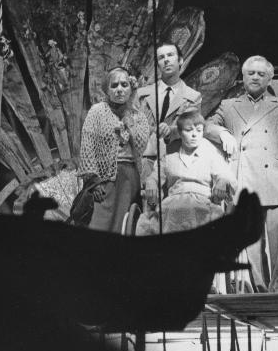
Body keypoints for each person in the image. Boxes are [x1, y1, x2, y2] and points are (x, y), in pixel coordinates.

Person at [205, 55, 278, 293]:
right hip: (245, 180)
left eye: (261, 74)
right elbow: (207, 126)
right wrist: (222, 133)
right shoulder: (229, 106)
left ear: (269, 78)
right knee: (252, 245)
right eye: (251, 73)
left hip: (275, 180)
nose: (255, 77)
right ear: (243, 77)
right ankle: (260, 291)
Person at [138, 108, 236, 235]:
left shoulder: (210, 153)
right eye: (189, 130)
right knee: (164, 215)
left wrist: (222, 181)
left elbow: (225, 174)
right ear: (179, 132)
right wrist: (151, 182)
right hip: (173, 204)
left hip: (203, 203)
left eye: (199, 130)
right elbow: (155, 176)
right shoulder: (169, 155)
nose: (194, 135)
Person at [77, 67, 150, 233]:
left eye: (124, 84)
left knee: (125, 225)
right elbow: (88, 146)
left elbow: (140, 146)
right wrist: (93, 182)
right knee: (100, 224)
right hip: (104, 180)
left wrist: (128, 121)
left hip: (130, 178)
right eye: (114, 85)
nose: (119, 89)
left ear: (131, 88)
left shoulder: (138, 115)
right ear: (107, 90)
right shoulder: (97, 111)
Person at [137, 42, 202, 181]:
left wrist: (169, 131)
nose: (166, 60)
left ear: (181, 60)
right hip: (144, 164)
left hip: (173, 165)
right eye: (161, 57)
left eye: (170, 55)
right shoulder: (141, 94)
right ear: (158, 65)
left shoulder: (193, 97)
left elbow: (190, 128)